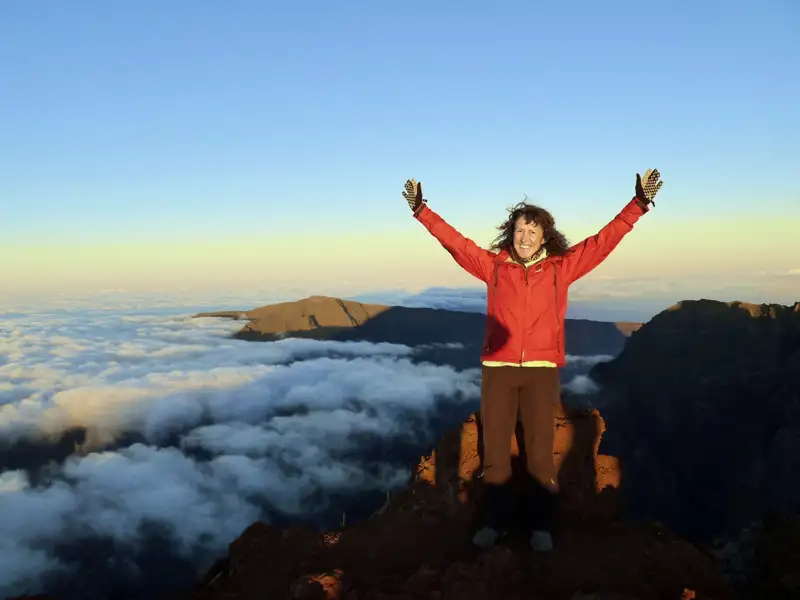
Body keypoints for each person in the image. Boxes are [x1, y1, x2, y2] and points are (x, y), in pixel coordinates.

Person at [403, 170, 664, 551]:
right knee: (496, 453)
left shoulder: (561, 269)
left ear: (545, 237)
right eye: (520, 230)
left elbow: (601, 243)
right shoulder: (493, 268)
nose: (524, 238)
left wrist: (638, 205)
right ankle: (495, 523)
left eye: (532, 231)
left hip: (542, 371)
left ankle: (541, 526)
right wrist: (421, 211)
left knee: (540, 453)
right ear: (512, 233)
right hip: (498, 369)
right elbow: (456, 244)